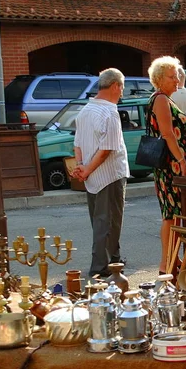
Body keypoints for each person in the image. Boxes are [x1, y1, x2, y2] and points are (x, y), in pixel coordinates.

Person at [72, 68, 129, 277]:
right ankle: (100, 266)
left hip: (92, 174)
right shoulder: (110, 112)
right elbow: (107, 150)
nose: (122, 92)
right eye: (122, 87)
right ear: (115, 86)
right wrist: (86, 168)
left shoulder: (85, 110)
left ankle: (114, 259)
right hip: (109, 175)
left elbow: (77, 143)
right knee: (108, 221)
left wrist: (81, 166)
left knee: (101, 220)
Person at [147, 56, 186, 274]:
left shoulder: (166, 98)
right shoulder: (161, 99)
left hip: (172, 165)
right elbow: (167, 133)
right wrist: (181, 160)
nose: (176, 80)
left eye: (177, 76)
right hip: (170, 166)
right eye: (171, 76)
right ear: (158, 79)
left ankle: (172, 259)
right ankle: (166, 262)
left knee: (174, 213)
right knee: (171, 214)